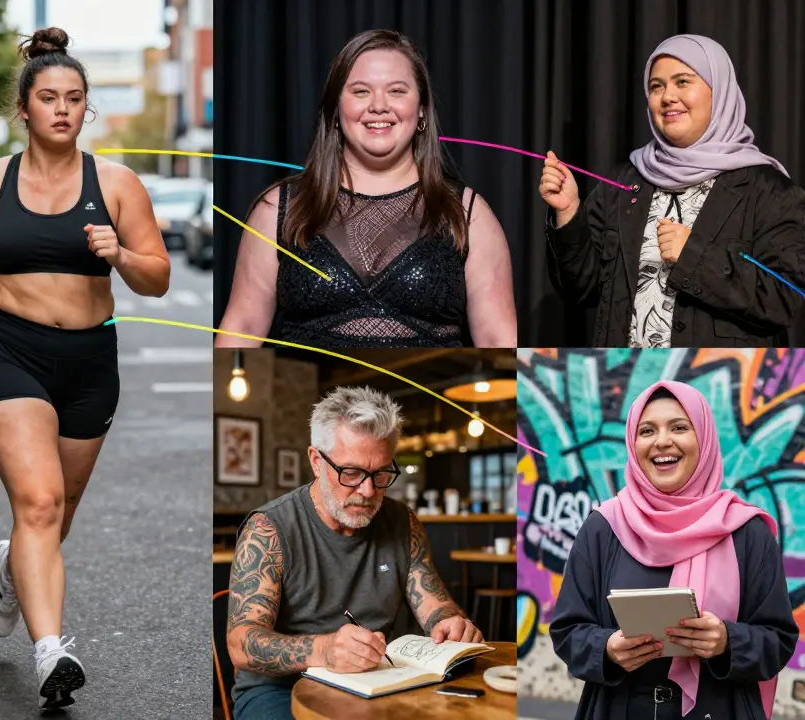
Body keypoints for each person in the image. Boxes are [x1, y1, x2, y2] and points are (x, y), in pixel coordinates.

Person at [0, 26, 169, 709]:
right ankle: (51, 651)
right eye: (49, 97)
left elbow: (158, 278)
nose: (62, 109)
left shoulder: (117, 185)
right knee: (39, 501)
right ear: (24, 108)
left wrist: (120, 254)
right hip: (7, 351)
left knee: (61, 512)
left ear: (87, 109)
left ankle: (9, 569)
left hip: (91, 361)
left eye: (74, 98)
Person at [217, 29, 516, 349]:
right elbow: (241, 329)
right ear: (335, 109)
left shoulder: (468, 214)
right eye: (361, 91)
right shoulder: (279, 209)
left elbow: (499, 343)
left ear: (421, 110)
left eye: (396, 91)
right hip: (305, 384)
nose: (379, 106)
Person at [225, 386, 483, 719]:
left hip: (375, 682)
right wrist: (323, 650)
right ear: (316, 461)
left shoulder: (402, 523)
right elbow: (241, 643)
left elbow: (435, 605)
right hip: (279, 691)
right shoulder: (269, 529)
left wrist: (450, 623)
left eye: (381, 473)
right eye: (351, 472)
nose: (368, 490)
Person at [549, 380, 797, 719]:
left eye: (679, 427)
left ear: (704, 439)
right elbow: (567, 632)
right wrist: (606, 649)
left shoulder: (747, 532)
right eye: (647, 431)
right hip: (618, 709)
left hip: (719, 709)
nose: (662, 441)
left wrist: (728, 641)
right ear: (632, 443)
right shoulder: (603, 527)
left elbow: (778, 640)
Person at [541, 34, 805, 348]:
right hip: (627, 374)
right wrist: (569, 213)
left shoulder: (769, 191)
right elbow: (579, 291)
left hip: (721, 375)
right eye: (656, 87)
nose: (667, 97)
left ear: (719, 92)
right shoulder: (624, 181)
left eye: (682, 82)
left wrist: (694, 255)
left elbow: (786, 298)